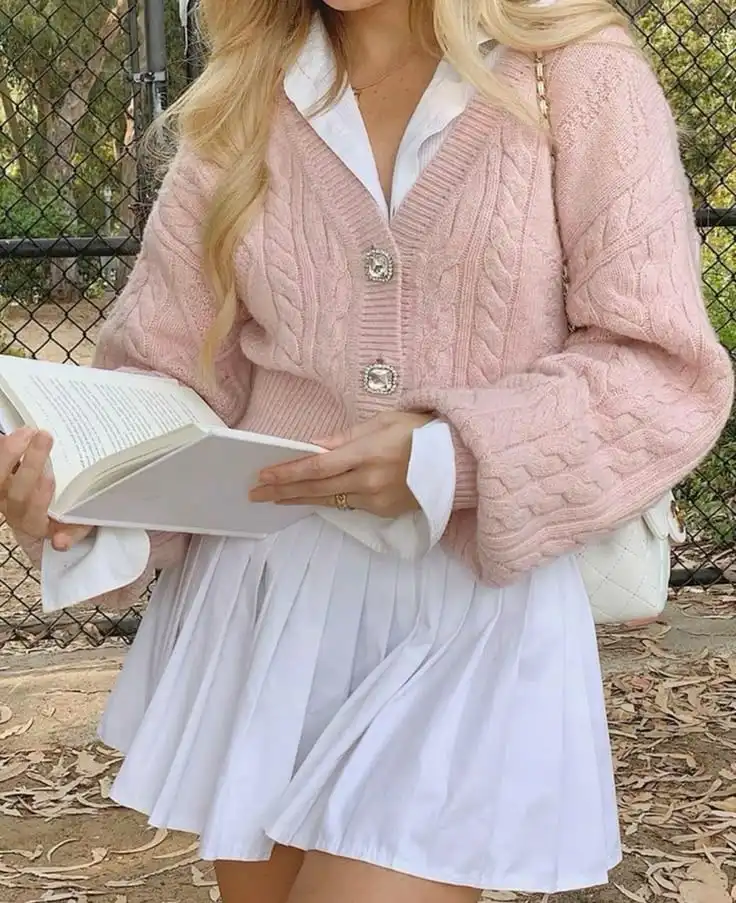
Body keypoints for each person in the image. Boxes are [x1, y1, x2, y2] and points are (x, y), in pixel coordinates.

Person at [1, 0, 733, 898]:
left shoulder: (574, 69)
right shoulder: (247, 94)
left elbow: (661, 365)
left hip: (469, 607)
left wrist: (453, 454)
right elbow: (171, 379)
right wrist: (76, 493)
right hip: (268, 603)